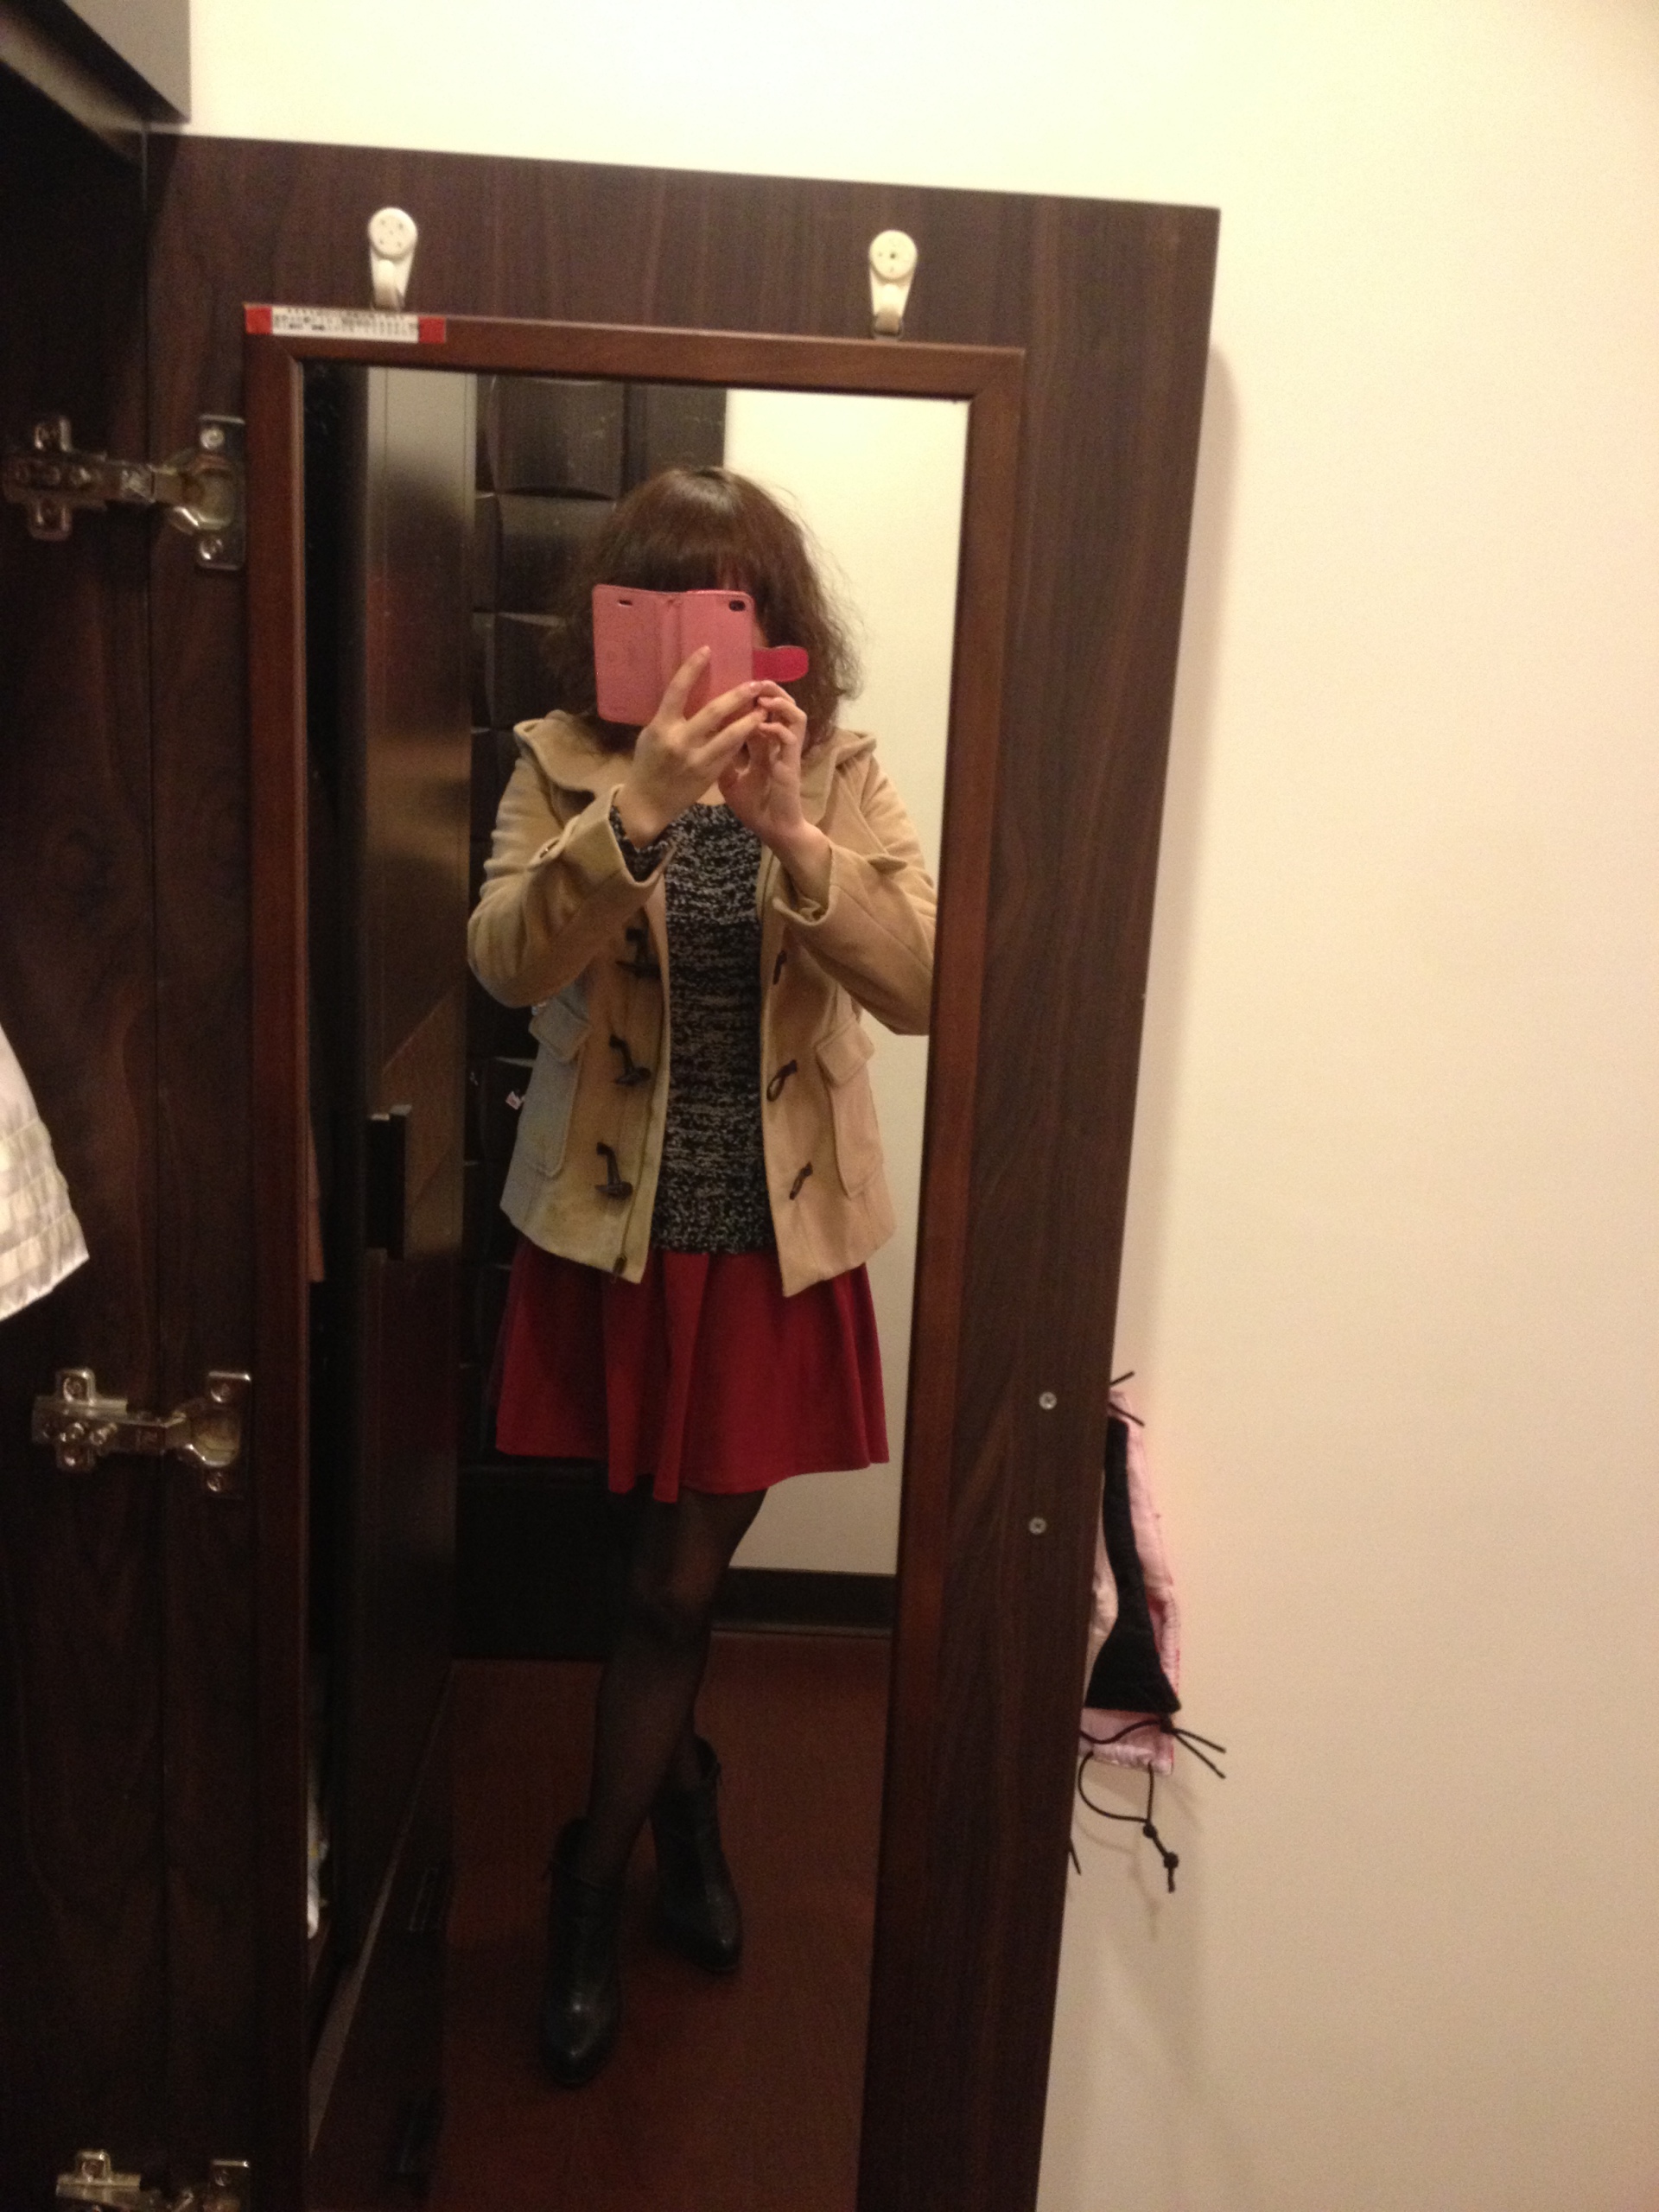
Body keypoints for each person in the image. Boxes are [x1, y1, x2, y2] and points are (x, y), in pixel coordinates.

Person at [467, 465, 935, 2087]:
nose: (696, 641)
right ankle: (685, 1802)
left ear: (778, 625)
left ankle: (587, 1888)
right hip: (610, 1236)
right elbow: (505, 960)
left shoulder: (841, 770)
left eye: (729, 605)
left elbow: (928, 981)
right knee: (636, 1573)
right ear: (615, 623)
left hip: (766, 1247)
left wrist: (793, 830)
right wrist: (637, 816)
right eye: (660, 604)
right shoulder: (560, 761)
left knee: (674, 1588)